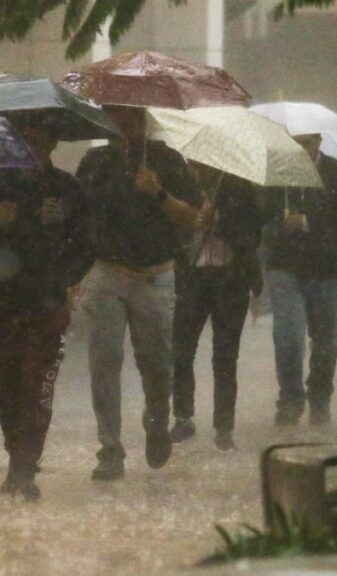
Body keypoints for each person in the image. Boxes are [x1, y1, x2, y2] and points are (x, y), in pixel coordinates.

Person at [0, 120, 94, 500]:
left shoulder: (67, 189)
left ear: (53, 141)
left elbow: (86, 244)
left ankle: (24, 467)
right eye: (24, 139)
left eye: (40, 139)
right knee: (6, 387)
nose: (32, 147)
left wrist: (62, 278)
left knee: (38, 387)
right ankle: (16, 456)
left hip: (48, 306)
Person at [76, 105, 202, 481]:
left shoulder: (168, 160)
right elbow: (79, 217)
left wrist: (159, 193)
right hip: (106, 272)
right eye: (114, 118)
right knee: (104, 361)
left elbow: (193, 218)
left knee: (157, 363)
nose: (123, 126)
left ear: (143, 121)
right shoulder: (95, 163)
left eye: (129, 118)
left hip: (156, 274)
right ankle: (110, 448)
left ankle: (158, 416)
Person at [264, 134, 337, 427]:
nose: (302, 149)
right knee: (288, 336)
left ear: (318, 141)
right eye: (296, 142)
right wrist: (278, 227)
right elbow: (261, 219)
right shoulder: (276, 176)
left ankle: (319, 398)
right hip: (286, 266)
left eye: (307, 142)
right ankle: (291, 399)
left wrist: (308, 221)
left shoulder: (335, 172)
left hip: (328, 269)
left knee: (325, 343)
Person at [169, 164, 265, 451]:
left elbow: (253, 234)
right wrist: (195, 222)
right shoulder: (183, 189)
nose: (194, 168)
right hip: (193, 278)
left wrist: (221, 223)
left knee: (225, 356)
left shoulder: (239, 188)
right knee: (182, 351)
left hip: (231, 278)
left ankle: (224, 425)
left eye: (200, 164)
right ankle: (183, 417)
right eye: (190, 163)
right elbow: (172, 230)